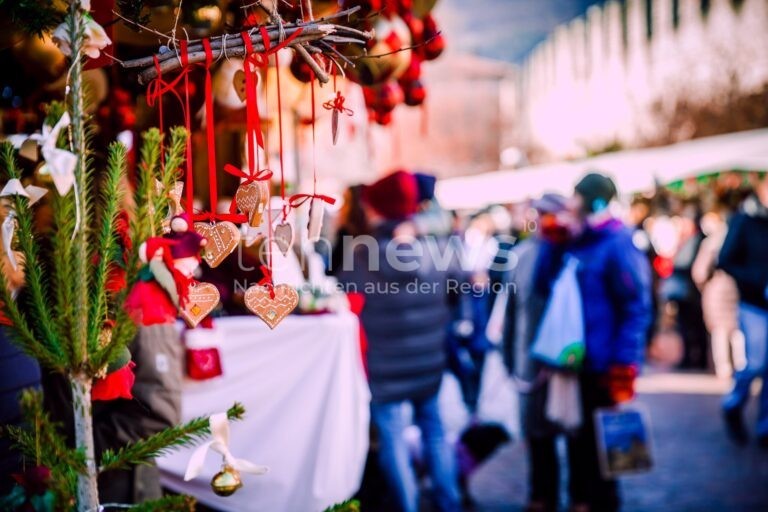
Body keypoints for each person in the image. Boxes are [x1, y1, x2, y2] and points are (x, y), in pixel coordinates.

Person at [337, 170, 461, 512]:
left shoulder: (361, 255)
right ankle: (449, 501)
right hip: (429, 364)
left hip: (383, 368)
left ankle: (408, 506)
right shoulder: (437, 249)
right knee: (435, 434)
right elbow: (457, 295)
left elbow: (345, 302)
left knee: (393, 442)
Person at [501, 193, 579, 512]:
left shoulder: (576, 253)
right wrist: (510, 357)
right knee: (537, 435)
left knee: (576, 433)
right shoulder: (521, 255)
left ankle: (579, 496)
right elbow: (511, 314)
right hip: (530, 362)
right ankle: (542, 495)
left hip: (570, 363)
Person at [718, 178, 768, 446]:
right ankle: (733, 404)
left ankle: (765, 427)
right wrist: (758, 280)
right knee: (756, 362)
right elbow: (726, 259)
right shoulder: (745, 220)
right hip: (753, 303)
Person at [691, 209, 742, 378]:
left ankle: (724, 368)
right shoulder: (736, 238)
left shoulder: (711, 243)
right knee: (736, 329)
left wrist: (705, 285)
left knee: (720, 330)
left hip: (717, 289)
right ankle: (741, 365)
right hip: (736, 288)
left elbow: (699, 272)